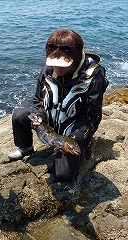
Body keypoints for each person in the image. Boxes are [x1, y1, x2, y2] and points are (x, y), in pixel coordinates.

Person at [8, 29, 108, 182]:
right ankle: (26, 148)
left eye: (63, 64)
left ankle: (77, 153)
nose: (57, 68)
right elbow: (38, 101)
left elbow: (91, 118)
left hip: (73, 129)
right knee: (19, 115)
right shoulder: (49, 69)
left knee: (63, 176)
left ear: (75, 58)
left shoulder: (94, 77)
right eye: (54, 63)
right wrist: (39, 117)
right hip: (51, 121)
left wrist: (70, 141)